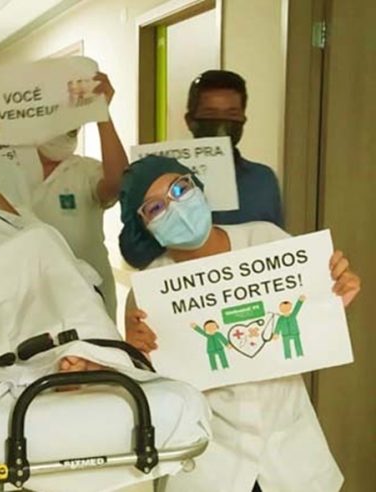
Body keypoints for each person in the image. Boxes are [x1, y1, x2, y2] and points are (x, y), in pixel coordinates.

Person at [119, 156, 361, 492]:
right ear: (144, 225)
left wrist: (334, 292)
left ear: (196, 185)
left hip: (291, 452)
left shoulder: (266, 240)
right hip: (211, 463)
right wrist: (136, 354)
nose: (176, 207)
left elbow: (310, 314)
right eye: (156, 207)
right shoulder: (150, 290)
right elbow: (152, 387)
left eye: (180, 188)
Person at [0, 71, 127, 321]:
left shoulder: (84, 170)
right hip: (24, 297)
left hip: (87, 296)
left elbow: (118, 184)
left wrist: (102, 115)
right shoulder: (5, 170)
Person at [122, 70, 284, 269]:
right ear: (190, 120)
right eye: (210, 115)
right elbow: (135, 249)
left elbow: (281, 255)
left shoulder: (263, 180)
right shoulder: (161, 181)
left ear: (243, 119)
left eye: (232, 115)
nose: (222, 124)